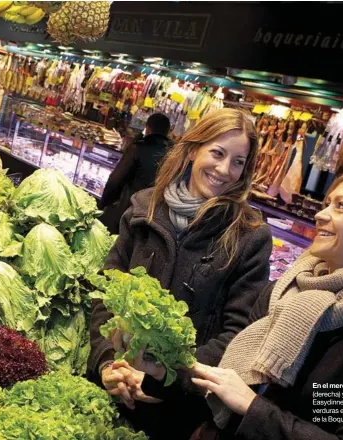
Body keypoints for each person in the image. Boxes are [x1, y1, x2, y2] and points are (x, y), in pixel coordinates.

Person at [124, 170, 343, 440]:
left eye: (341, 207)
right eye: (327, 203)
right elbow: (224, 387)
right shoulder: (283, 292)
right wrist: (164, 374)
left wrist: (252, 408)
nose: (320, 215)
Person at [88, 108, 274, 439]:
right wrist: (107, 365)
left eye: (238, 161)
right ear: (192, 150)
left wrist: (167, 378)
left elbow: (237, 336)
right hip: (114, 388)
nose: (224, 169)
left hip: (176, 411)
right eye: (217, 153)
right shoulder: (144, 207)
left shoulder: (250, 236)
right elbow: (106, 292)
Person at [98, 113, 173, 234]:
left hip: (129, 212)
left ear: (147, 129)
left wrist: (103, 204)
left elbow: (115, 181)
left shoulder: (138, 148)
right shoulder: (173, 155)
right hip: (154, 219)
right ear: (168, 131)